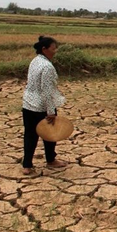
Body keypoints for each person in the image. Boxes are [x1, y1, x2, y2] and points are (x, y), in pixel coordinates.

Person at [22, 36, 68, 175]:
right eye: (53, 48)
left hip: (28, 103)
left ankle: (27, 165)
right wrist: (50, 111)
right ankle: (51, 160)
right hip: (41, 106)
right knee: (50, 134)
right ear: (44, 49)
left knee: (30, 135)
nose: (55, 51)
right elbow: (47, 91)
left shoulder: (35, 61)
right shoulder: (47, 67)